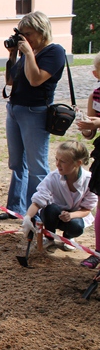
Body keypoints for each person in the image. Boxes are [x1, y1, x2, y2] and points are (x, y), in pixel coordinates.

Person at [0, 11, 66, 220]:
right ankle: (15, 208)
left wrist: (28, 54)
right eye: (22, 34)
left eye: (28, 34)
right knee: (17, 163)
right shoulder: (28, 52)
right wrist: (13, 55)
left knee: (37, 166)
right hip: (15, 109)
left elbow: (36, 80)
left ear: (41, 31)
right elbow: (10, 81)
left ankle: (37, 214)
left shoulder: (54, 52)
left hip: (35, 112)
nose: (24, 38)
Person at [21, 142, 97, 252]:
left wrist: (71, 215)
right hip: (54, 214)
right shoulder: (53, 177)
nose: (57, 164)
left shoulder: (89, 180)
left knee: (77, 226)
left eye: (63, 161)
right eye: (56, 159)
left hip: (75, 216)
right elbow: (38, 200)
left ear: (78, 163)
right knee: (49, 209)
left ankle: (68, 237)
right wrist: (28, 217)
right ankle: (49, 237)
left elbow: (87, 209)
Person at [76, 52, 100, 268]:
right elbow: (90, 135)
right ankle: (98, 252)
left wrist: (98, 123)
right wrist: (85, 125)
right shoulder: (95, 96)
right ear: (96, 74)